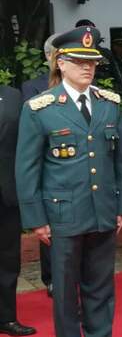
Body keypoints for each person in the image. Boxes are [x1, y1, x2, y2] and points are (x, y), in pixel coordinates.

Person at [16, 26, 122, 337]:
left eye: (92, 62)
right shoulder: (40, 109)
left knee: (100, 283)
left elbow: (120, 161)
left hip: (101, 210)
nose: (88, 68)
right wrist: (36, 219)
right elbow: (27, 168)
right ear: (60, 63)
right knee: (65, 289)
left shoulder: (109, 104)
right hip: (63, 211)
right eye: (79, 61)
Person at [20, 32, 58, 297]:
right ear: (48, 57)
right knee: (51, 230)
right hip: (48, 165)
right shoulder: (33, 87)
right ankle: (52, 278)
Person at [0, 84, 36, 337]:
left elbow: (25, 142)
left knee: (8, 258)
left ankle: (7, 317)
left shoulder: (12, 96)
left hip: (6, 192)